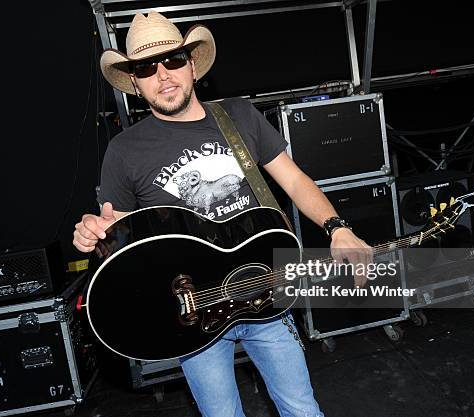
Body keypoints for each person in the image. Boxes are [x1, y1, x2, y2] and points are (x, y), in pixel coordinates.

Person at [73, 11, 372, 417]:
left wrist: (337, 228)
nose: (163, 75)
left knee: (302, 409)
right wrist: (95, 237)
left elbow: (296, 181)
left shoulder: (239, 116)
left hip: (263, 290)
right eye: (146, 68)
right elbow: (121, 241)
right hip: (194, 314)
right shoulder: (123, 151)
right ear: (135, 84)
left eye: (173, 60)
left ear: (192, 66)